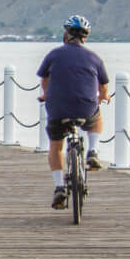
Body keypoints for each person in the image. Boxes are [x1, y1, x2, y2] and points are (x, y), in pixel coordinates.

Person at [37, 13, 109, 210]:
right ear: (85, 37)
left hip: (58, 108)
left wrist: (45, 94)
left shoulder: (53, 54)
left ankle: (59, 187)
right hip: (85, 107)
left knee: (56, 146)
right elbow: (103, 87)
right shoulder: (95, 57)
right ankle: (93, 151)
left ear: (66, 34)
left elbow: (44, 79)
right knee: (97, 116)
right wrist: (103, 97)